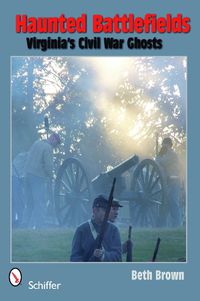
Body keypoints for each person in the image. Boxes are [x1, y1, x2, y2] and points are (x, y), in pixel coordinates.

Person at [23, 132, 61, 229]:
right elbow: (48, 166)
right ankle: (40, 227)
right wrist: (51, 176)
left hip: (27, 175)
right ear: (53, 139)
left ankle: (23, 226)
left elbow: (28, 157)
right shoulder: (48, 148)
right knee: (40, 203)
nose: (55, 146)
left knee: (29, 203)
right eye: (56, 143)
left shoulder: (37, 143)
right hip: (37, 177)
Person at [70, 195, 122, 262]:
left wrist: (103, 256)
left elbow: (117, 256)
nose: (107, 213)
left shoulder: (114, 230)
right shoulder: (81, 230)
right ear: (95, 210)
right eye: (104, 210)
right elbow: (75, 258)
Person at [156, 137, 182, 227]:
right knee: (165, 203)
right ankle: (162, 226)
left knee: (173, 202)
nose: (163, 146)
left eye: (165, 144)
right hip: (168, 182)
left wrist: (159, 155)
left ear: (169, 145)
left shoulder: (171, 154)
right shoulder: (166, 154)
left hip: (174, 181)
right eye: (163, 144)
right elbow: (158, 164)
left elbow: (161, 162)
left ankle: (178, 225)